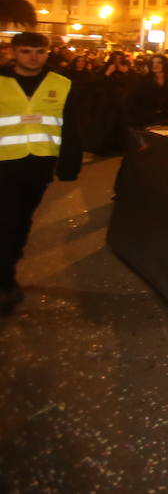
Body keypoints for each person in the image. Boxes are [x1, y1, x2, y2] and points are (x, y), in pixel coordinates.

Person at [1, 33, 81, 316]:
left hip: (38, 166)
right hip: (3, 165)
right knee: (7, 221)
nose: (33, 57)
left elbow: (70, 128)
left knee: (21, 221)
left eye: (39, 51)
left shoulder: (61, 84)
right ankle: (5, 280)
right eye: (26, 51)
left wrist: (69, 166)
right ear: (13, 52)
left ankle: (8, 268)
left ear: (47, 53)